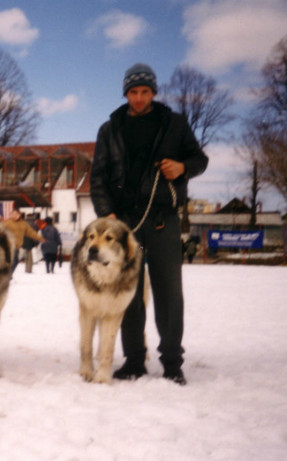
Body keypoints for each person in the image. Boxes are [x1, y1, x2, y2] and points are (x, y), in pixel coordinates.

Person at [90, 63, 209, 385]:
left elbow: (200, 160)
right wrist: (108, 216)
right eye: (133, 92)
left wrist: (182, 167)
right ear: (126, 93)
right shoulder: (110, 129)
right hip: (123, 225)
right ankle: (133, 360)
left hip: (162, 220)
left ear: (153, 92)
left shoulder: (174, 124)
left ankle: (172, 362)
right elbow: (97, 179)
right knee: (127, 292)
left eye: (145, 91)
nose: (139, 98)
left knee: (169, 293)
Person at [4, 209, 44, 275]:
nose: (14, 216)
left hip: (17, 245)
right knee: (12, 260)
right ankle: (7, 275)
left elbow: (31, 232)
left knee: (15, 261)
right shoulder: (7, 223)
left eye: (16, 214)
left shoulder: (23, 223)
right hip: (8, 245)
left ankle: (8, 275)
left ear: (19, 215)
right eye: (13, 214)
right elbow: (0, 230)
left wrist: (40, 238)